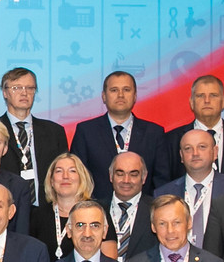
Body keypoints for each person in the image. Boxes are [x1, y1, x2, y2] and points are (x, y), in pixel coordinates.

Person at [69, 70, 170, 201]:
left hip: (143, 210)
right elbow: (78, 178)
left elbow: (161, 180)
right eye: (114, 90)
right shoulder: (86, 131)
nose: (120, 95)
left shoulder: (154, 133)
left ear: (135, 96)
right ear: (104, 96)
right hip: (97, 209)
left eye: (126, 90)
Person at [154, 129, 224, 249]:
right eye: (188, 148)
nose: (195, 153)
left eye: (202, 147)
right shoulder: (163, 193)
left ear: (215, 152)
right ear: (181, 156)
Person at [0, 67, 68, 208]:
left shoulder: (54, 132)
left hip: (47, 209)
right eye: (17, 88)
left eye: (30, 88)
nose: (24, 93)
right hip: (5, 208)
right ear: (5, 92)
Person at [165, 75, 224, 178]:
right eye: (200, 96)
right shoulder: (172, 140)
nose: (207, 100)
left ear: (223, 102)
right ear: (191, 103)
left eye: (213, 95)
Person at [32, 152, 95, 261]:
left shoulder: (96, 213)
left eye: (72, 171)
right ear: (51, 180)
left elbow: (108, 261)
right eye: (59, 171)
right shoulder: (37, 216)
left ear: (81, 178)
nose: (65, 176)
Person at [105, 151, 155, 259]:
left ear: (144, 177)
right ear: (111, 176)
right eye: (120, 174)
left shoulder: (156, 210)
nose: (126, 180)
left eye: (133, 174)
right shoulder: (96, 209)